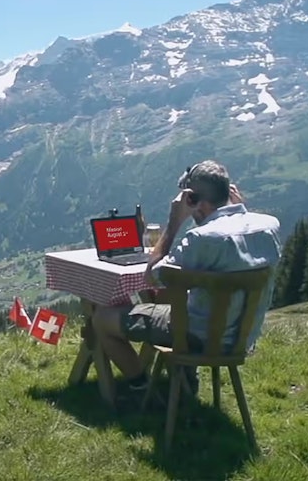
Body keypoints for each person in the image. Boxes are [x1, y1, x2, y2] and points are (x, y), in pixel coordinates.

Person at [90, 159, 282, 398]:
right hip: (241, 338)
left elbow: (152, 278)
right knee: (180, 302)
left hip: (198, 337)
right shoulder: (269, 226)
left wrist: (174, 222)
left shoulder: (202, 238)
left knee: (102, 318)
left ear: (192, 199)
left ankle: (141, 386)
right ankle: (184, 386)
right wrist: (239, 210)